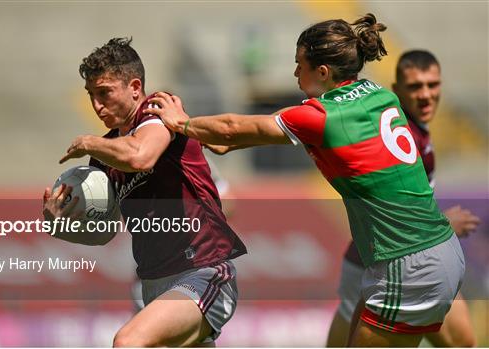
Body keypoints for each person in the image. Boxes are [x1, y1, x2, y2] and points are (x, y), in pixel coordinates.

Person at [145, 14, 466, 347]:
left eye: (300, 65)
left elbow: (233, 126)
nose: (296, 73)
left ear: (323, 72)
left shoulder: (323, 115)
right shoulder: (378, 94)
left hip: (408, 260)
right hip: (433, 250)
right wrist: (229, 139)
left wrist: (182, 123)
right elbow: (246, 133)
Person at [42, 37, 247, 347]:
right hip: (154, 284)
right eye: (91, 95)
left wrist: (88, 142)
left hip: (202, 271)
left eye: (105, 93)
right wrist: (59, 225)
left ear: (135, 87)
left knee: (128, 341)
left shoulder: (159, 112)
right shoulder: (105, 156)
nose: (97, 105)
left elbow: (141, 156)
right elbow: (104, 232)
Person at [326, 50, 480, 347]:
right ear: (397, 90)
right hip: (379, 263)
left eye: (432, 85)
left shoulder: (414, 132)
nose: (425, 95)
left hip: (413, 260)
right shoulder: (397, 134)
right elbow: (385, 208)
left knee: (462, 342)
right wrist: (447, 222)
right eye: (414, 87)